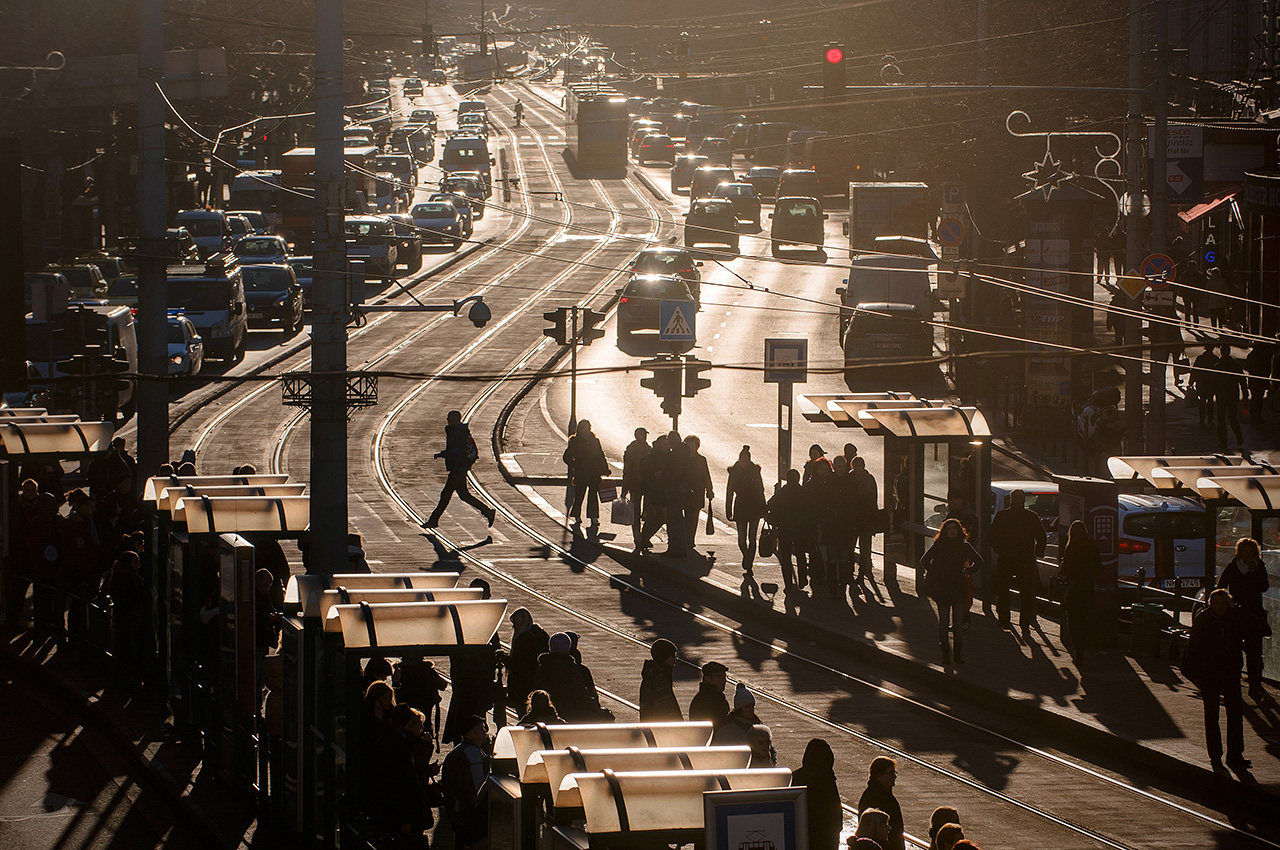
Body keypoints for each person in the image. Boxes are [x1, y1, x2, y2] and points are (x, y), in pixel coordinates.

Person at [1182, 588, 1249, 771]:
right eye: (1216, 603)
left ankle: (1235, 754)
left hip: (1230, 672)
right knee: (1212, 716)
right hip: (1209, 673)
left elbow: (1259, 627)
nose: (1220, 608)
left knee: (1235, 715)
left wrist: (1236, 608)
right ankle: (1215, 755)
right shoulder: (1204, 619)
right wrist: (1194, 675)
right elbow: (1193, 647)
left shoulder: (1234, 618)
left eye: (1224, 603)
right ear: (1210, 604)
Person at [919, 519, 983, 663]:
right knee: (945, 622)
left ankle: (953, 654)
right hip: (947, 586)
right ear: (945, 531)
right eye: (949, 529)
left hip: (955, 586)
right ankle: (948, 654)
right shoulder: (945, 545)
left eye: (954, 528)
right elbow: (924, 560)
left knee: (955, 623)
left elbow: (979, 561)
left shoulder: (961, 545)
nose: (952, 531)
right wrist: (967, 570)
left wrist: (967, 570)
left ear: (959, 530)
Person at [1216, 538, 1271, 702]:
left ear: (1255, 553)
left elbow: (1264, 587)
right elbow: (1222, 585)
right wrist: (1227, 602)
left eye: (1250, 551)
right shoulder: (1234, 566)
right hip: (1235, 614)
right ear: (1239, 553)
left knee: (1254, 651)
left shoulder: (1259, 567)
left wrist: (1254, 572)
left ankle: (1255, 685)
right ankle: (1233, 681)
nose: (1247, 555)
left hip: (1253, 614)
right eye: (1244, 551)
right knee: (1233, 647)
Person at [424, 410, 495, 528]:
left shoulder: (455, 432)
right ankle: (433, 520)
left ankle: (487, 511)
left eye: (448, 418)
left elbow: (454, 450)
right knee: (446, 494)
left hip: (458, 468)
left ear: (453, 419)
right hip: (458, 467)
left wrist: (442, 454)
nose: (447, 420)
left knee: (462, 495)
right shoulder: (460, 431)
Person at [989, 489, 1046, 636]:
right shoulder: (1031, 517)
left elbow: (992, 536)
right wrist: (1037, 553)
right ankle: (1025, 624)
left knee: (1003, 589)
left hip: (1006, 557)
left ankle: (1004, 620)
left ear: (1011, 500)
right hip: (1025, 559)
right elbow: (1041, 537)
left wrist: (999, 550)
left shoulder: (1002, 516)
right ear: (1024, 501)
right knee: (1026, 592)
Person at [441, 714, 491, 850]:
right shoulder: (472, 753)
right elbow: (478, 790)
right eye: (482, 728)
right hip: (470, 817)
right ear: (474, 731)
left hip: (457, 814)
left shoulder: (455, 752)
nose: (486, 732)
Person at [1060, 520, 1101, 664]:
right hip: (1087, 586)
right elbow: (1098, 569)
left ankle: (1078, 650)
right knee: (1084, 620)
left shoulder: (1071, 547)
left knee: (1073, 621)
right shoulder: (1092, 545)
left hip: (1074, 587)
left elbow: (1065, 570)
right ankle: (1082, 649)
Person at [534, 631, 597, 721]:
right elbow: (578, 689)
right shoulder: (571, 666)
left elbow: (538, 686)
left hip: (548, 711)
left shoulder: (543, 665)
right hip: (570, 711)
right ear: (568, 648)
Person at [792, 738, 841, 850]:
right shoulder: (828, 777)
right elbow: (835, 809)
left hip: (805, 835)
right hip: (827, 836)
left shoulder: (797, 777)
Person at [726, 447, 766, 574]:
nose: (744, 464)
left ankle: (749, 562)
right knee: (742, 538)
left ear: (749, 460)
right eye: (742, 461)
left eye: (746, 461)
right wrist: (728, 509)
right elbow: (729, 492)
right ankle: (747, 556)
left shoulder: (755, 471)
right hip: (740, 506)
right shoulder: (734, 472)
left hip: (754, 506)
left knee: (752, 537)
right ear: (739, 460)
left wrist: (763, 508)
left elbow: (761, 490)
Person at [563, 419, 610, 529]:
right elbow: (566, 457)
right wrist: (576, 465)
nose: (587, 430)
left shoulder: (595, 441)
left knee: (593, 496)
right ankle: (577, 515)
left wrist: (605, 469)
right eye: (585, 428)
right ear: (580, 429)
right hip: (582, 473)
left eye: (588, 427)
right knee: (580, 495)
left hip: (594, 472)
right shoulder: (575, 441)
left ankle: (594, 517)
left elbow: (600, 455)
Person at [768, 469, 809, 590]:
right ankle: (802, 578)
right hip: (800, 529)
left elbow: (769, 504)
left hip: (784, 529)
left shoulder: (782, 492)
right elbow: (809, 511)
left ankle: (788, 584)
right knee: (801, 555)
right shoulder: (803, 492)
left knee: (785, 557)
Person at [505, 608, 550, 715]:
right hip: (537, 681)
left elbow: (518, 664)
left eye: (515, 623)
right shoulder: (541, 635)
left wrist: (504, 658)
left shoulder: (522, 640)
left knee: (523, 713)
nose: (513, 627)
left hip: (522, 686)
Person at [858, 757, 904, 850]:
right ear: (878, 776)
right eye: (890, 773)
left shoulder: (885, 794)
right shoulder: (874, 797)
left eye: (895, 772)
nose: (894, 776)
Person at [850, 457, 879, 597]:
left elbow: (874, 500)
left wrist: (873, 519)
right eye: (856, 466)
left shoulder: (869, 479)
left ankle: (861, 574)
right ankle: (850, 573)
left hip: (866, 519)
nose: (858, 468)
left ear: (863, 466)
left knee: (865, 549)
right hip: (852, 519)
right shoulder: (849, 479)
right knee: (849, 547)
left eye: (860, 466)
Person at [683, 435, 714, 550]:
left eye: (693, 446)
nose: (691, 448)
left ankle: (690, 540)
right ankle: (685, 538)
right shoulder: (682, 459)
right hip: (683, 492)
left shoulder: (701, 460)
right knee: (684, 517)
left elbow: (706, 476)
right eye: (688, 446)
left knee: (693, 517)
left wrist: (709, 490)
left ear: (697, 447)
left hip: (697, 493)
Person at [639, 638, 682, 720]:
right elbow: (667, 705)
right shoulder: (661, 677)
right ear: (664, 657)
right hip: (662, 726)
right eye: (673, 656)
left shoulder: (651, 674)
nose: (675, 659)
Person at [621, 428, 650, 546]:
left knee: (647, 511)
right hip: (635, 485)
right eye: (642, 435)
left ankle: (644, 535)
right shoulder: (631, 450)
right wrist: (624, 489)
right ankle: (637, 536)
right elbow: (627, 470)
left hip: (647, 486)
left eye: (644, 435)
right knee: (635, 511)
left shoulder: (649, 449)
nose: (644, 437)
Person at [1214, 345, 1246, 451]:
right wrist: (1245, 393)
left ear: (1221, 352)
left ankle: (1223, 442)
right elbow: (1242, 380)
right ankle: (1239, 436)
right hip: (1233, 395)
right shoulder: (1235, 366)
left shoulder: (1218, 366)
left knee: (1221, 419)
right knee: (1232, 417)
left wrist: (1210, 394)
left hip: (1221, 396)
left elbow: (1213, 383)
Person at [688, 660, 730, 726]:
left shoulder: (715, 697)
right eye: (719, 676)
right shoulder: (706, 700)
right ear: (707, 678)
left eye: (725, 676)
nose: (724, 680)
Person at [1245, 342, 1273, 426]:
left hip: (1253, 380)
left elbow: (1247, 367)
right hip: (1262, 380)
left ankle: (1253, 417)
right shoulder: (1265, 356)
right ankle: (1257, 417)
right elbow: (1268, 369)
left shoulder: (1251, 355)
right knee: (1259, 399)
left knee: (1254, 399)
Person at [1192, 346, 1218, 429]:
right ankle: (1210, 417)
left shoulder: (1200, 358)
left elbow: (1194, 370)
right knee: (1210, 399)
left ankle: (1202, 418)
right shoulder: (1215, 359)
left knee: (1202, 401)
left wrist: (1191, 380)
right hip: (1211, 383)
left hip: (1201, 382)